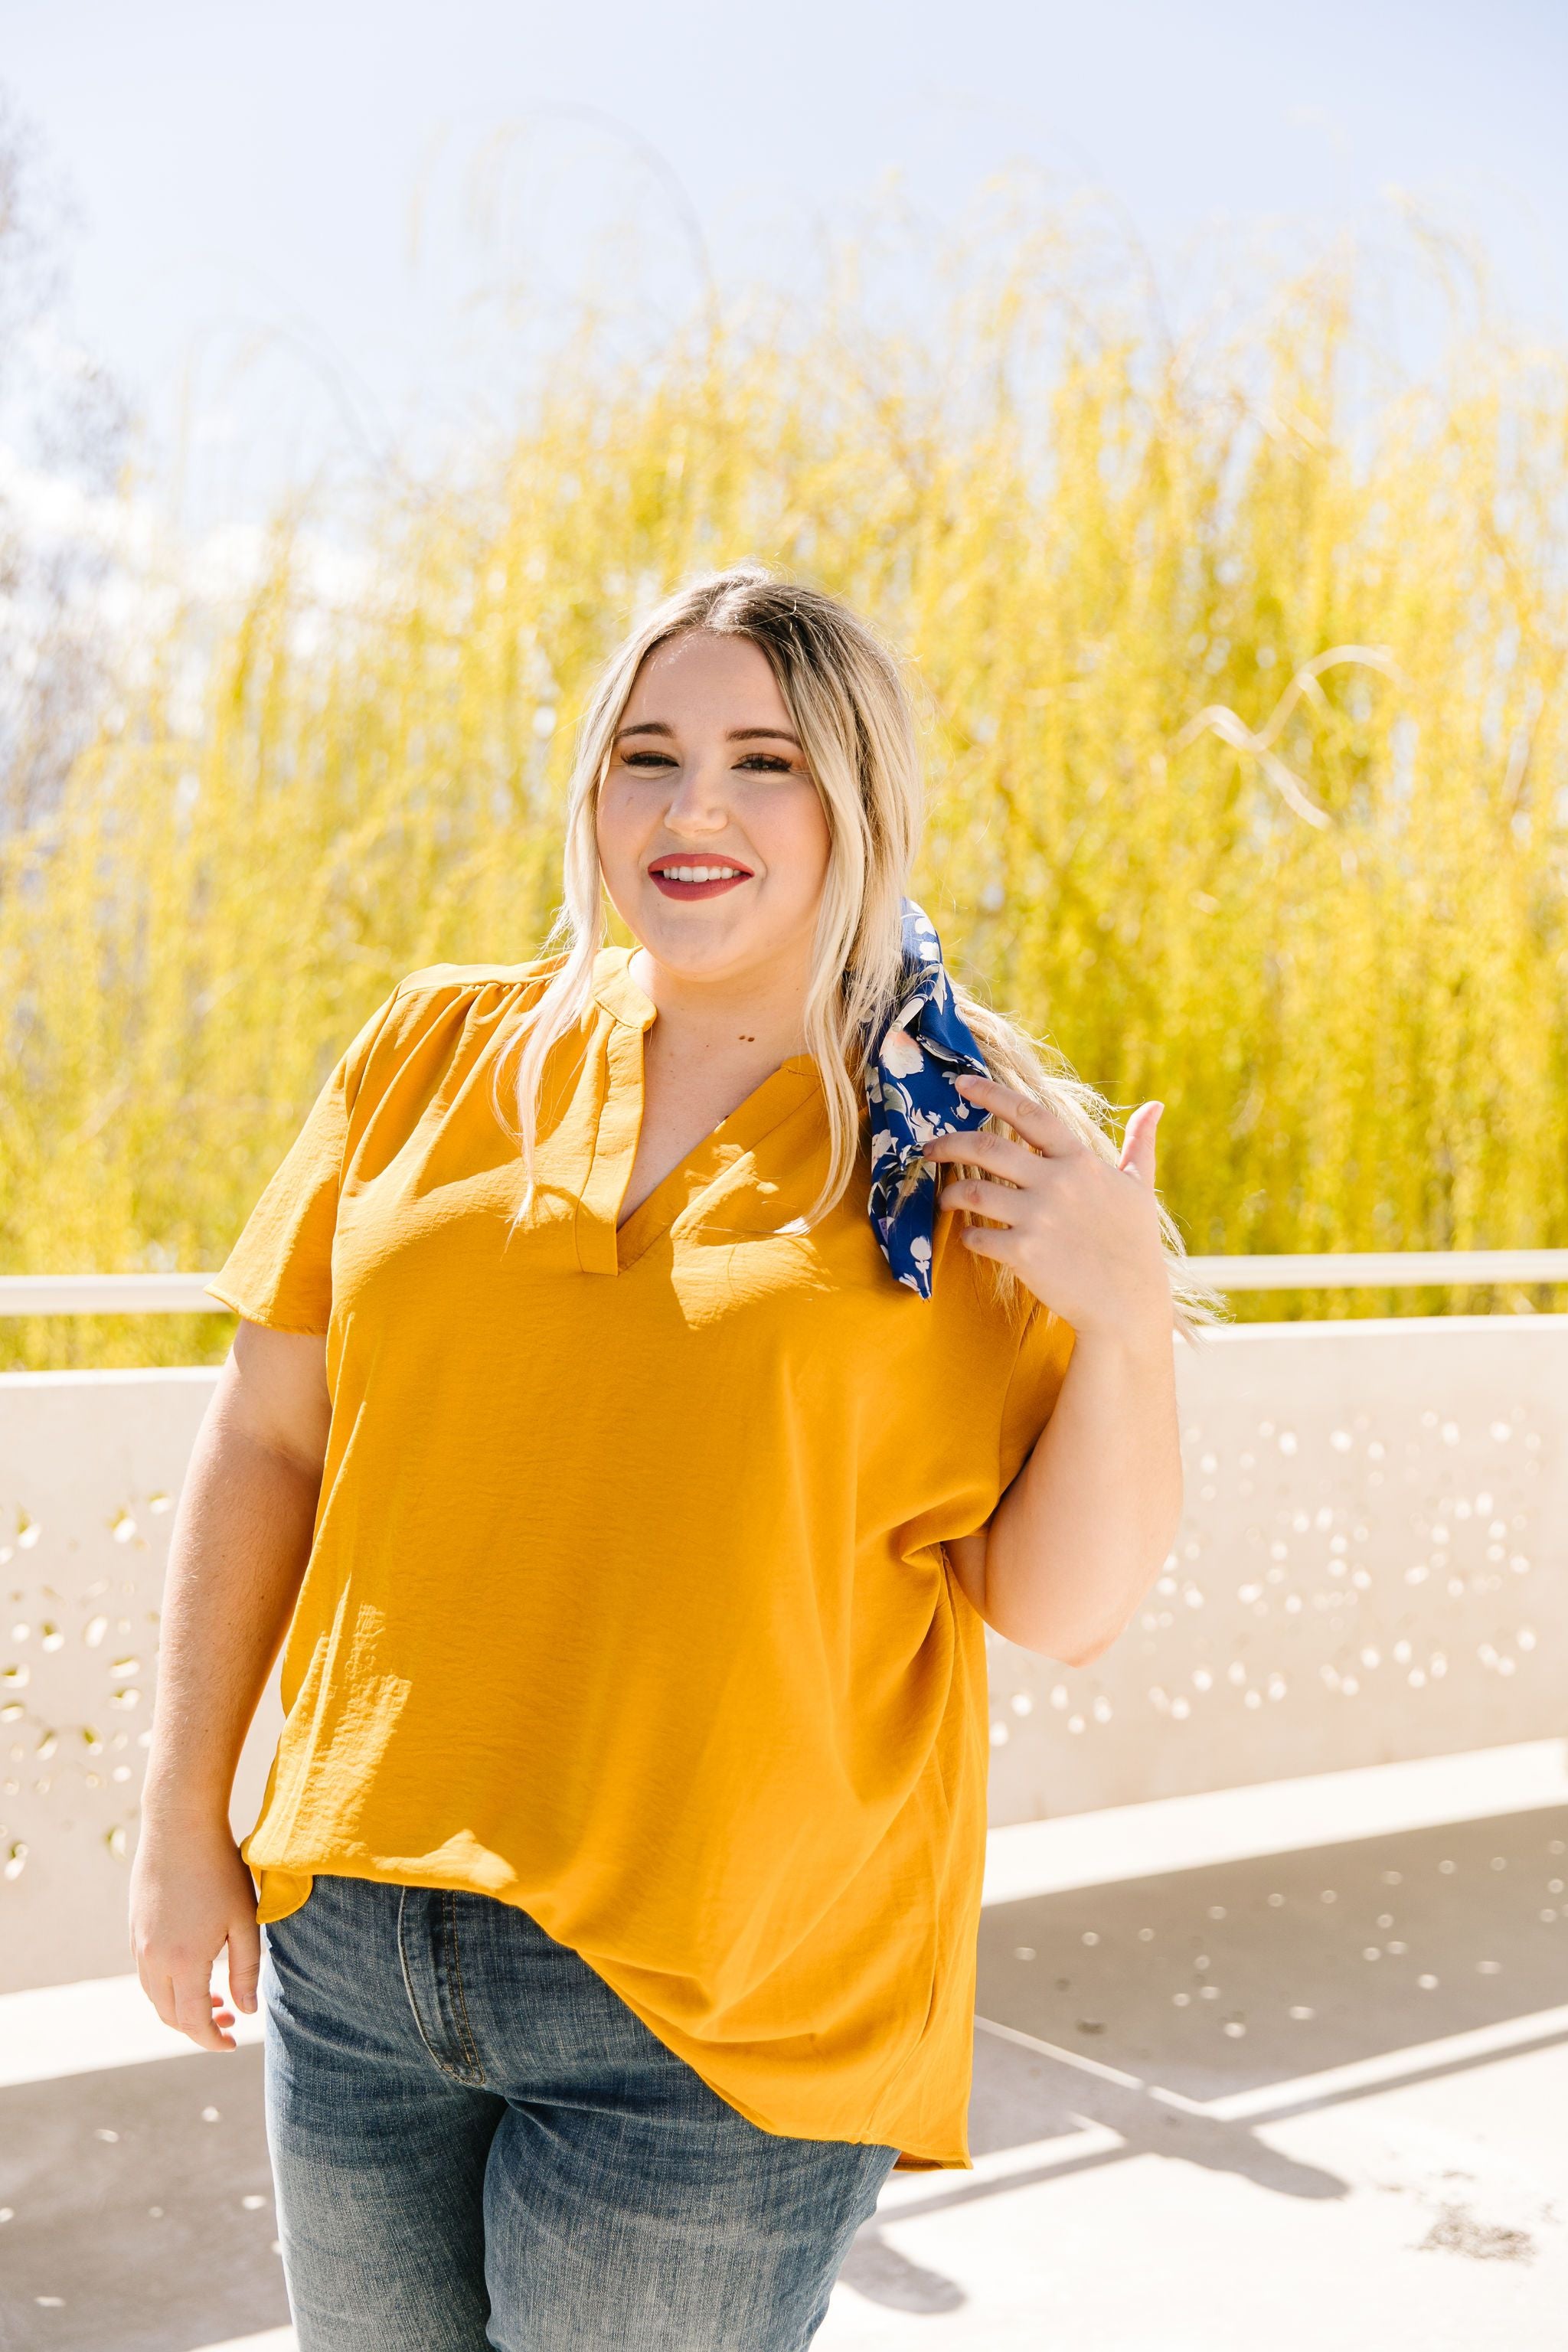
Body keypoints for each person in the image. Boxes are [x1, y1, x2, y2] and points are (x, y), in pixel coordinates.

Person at [129, 565, 1211, 2352]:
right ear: (592, 793)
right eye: (649, 755)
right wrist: (183, 1825)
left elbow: (1059, 1603)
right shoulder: (431, 1051)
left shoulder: (962, 1134)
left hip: (726, 2003)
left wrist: (1122, 1316)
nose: (693, 808)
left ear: (855, 802)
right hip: (361, 1948)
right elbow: (265, 1434)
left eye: (762, 762)